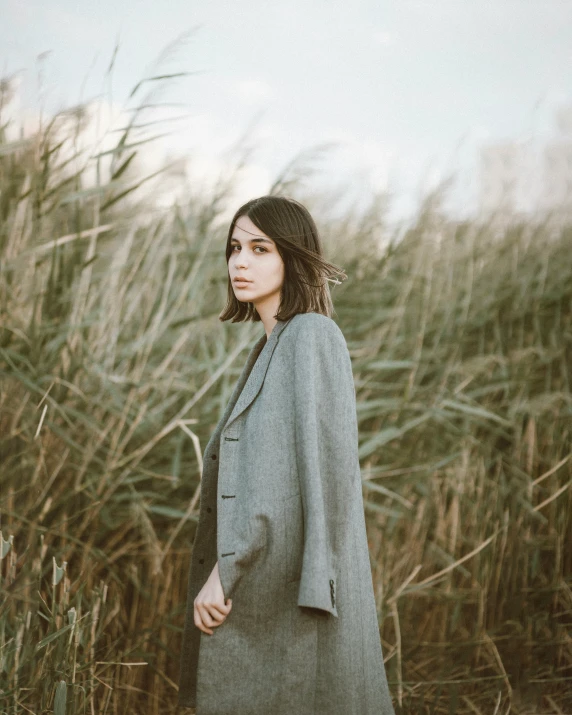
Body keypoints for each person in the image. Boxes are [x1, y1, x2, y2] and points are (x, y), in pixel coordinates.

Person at [178, 195, 395, 714]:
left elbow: (293, 482)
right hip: (268, 590)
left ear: (292, 258)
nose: (240, 262)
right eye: (234, 248)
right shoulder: (270, 347)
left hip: (286, 594)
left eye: (260, 248)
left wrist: (224, 572)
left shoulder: (311, 336)